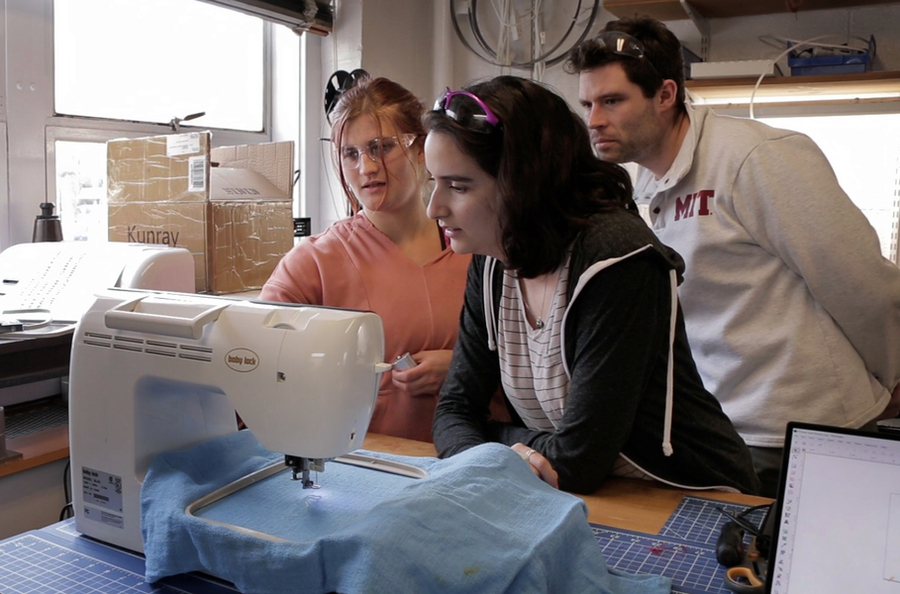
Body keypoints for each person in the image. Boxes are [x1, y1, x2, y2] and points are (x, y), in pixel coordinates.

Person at [566, 17, 900, 496]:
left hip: (807, 428)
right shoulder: (640, 188)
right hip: (720, 430)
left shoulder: (756, 159)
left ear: (665, 95)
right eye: (587, 103)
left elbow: (860, 284)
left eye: (612, 101)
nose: (594, 119)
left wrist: (893, 380)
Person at [423, 75, 760, 495]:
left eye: (457, 186)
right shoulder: (491, 262)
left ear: (521, 183)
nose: (433, 208)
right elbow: (454, 411)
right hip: (582, 494)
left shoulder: (617, 258)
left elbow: (577, 460)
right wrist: (509, 455)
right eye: (432, 182)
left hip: (689, 495)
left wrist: (496, 447)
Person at [260, 75, 471, 442]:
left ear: (421, 148)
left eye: (382, 148)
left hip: (473, 460)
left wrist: (464, 368)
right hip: (368, 471)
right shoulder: (315, 262)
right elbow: (254, 361)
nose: (367, 168)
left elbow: (535, 365)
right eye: (351, 154)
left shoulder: (476, 252)